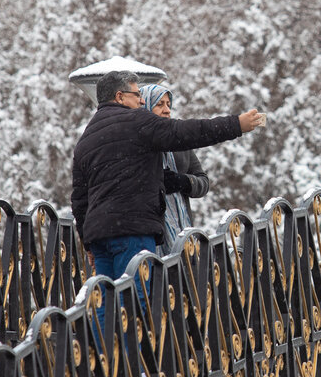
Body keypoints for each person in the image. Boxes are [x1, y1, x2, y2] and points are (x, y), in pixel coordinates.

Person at [71, 70, 263, 290]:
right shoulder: (137, 121)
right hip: (131, 229)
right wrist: (236, 124)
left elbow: (79, 199)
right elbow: (187, 132)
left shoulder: (86, 138)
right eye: (136, 95)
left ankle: (107, 326)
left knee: (105, 299)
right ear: (119, 97)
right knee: (136, 296)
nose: (141, 100)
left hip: (99, 237)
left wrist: (87, 242)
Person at [139, 82, 209, 250]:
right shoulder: (137, 143)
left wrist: (184, 182)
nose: (167, 110)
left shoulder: (179, 142)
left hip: (183, 233)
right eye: (160, 104)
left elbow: (203, 182)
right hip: (151, 237)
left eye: (169, 105)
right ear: (146, 106)